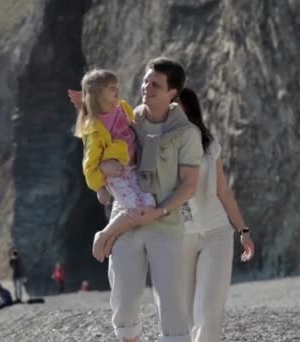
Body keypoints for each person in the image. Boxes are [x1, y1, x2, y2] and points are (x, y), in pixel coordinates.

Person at [72, 57, 203, 342]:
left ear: (172, 93)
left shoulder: (187, 134)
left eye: (155, 84)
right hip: (127, 218)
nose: (146, 87)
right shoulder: (125, 119)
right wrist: (102, 177)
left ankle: (105, 234)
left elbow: (189, 185)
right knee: (124, 300)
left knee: (171, 306)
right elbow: (94, 148)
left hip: (166, 224)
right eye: (145, 81)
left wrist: (160, 211)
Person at [178, 88, 256, 341]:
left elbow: (223, 190)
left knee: (209, 314)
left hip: (217, 232)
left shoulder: (210, 146)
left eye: (177, 105)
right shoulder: (158, 145)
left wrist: (243, 230)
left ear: (190, 109)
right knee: (186, 316)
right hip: (180, 237)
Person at [73, 69, 156, 262]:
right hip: (116, 176)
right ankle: (103, 235)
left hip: (134, 167)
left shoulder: (123, 109)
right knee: (134, 209)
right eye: (111, 88)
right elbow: (90, 163)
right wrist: (100, 188)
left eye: (116, 86)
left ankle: (110, 239)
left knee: (149, 204)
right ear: (97, 94)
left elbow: (136, 131)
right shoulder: (94, 127)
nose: (116, 90)